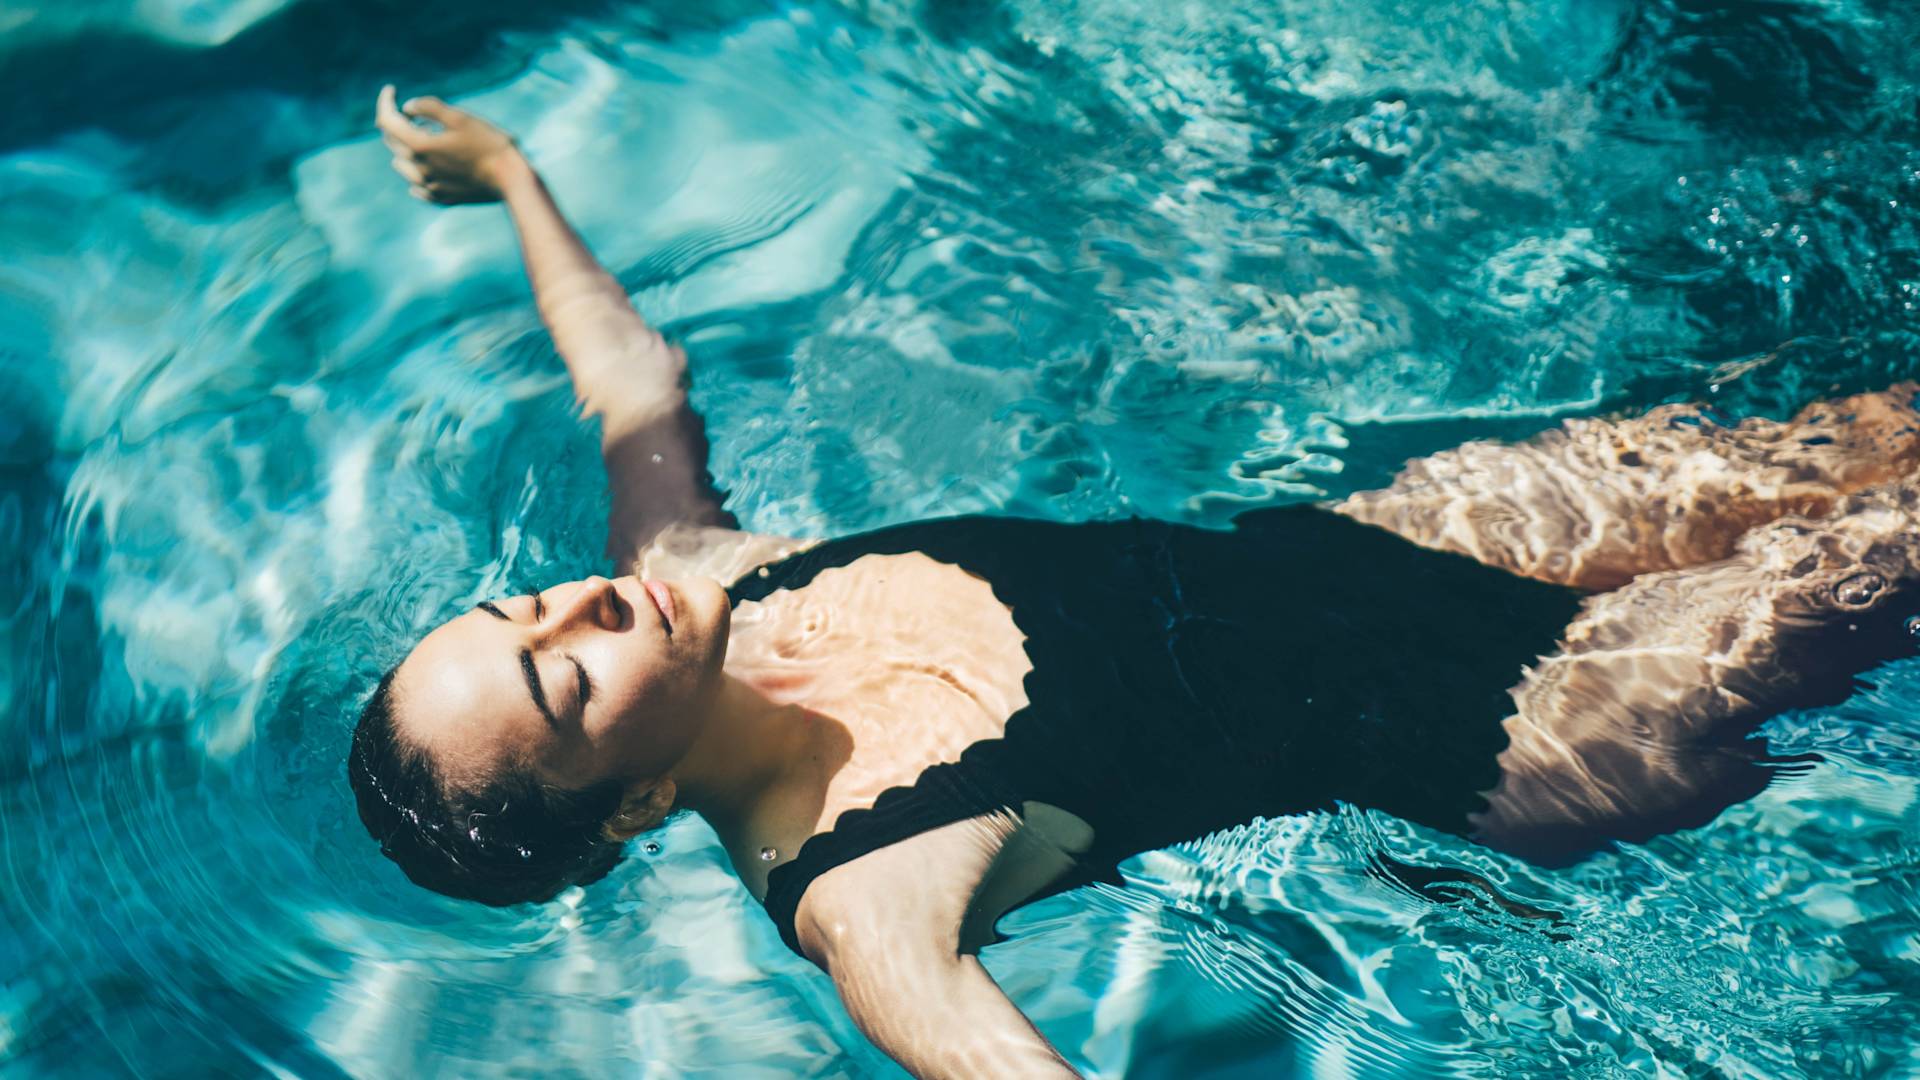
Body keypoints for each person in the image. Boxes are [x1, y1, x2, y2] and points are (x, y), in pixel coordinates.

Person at [350, 86, 1920, 1077]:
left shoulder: (690, 574)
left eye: (517, 609)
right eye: (558, 682)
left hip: (1408, 535)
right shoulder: (868, 901)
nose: (570, 610)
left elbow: (630, 379)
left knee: (1872, 437)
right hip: (1532, 724)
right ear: (625, 808)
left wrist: (510, 176)